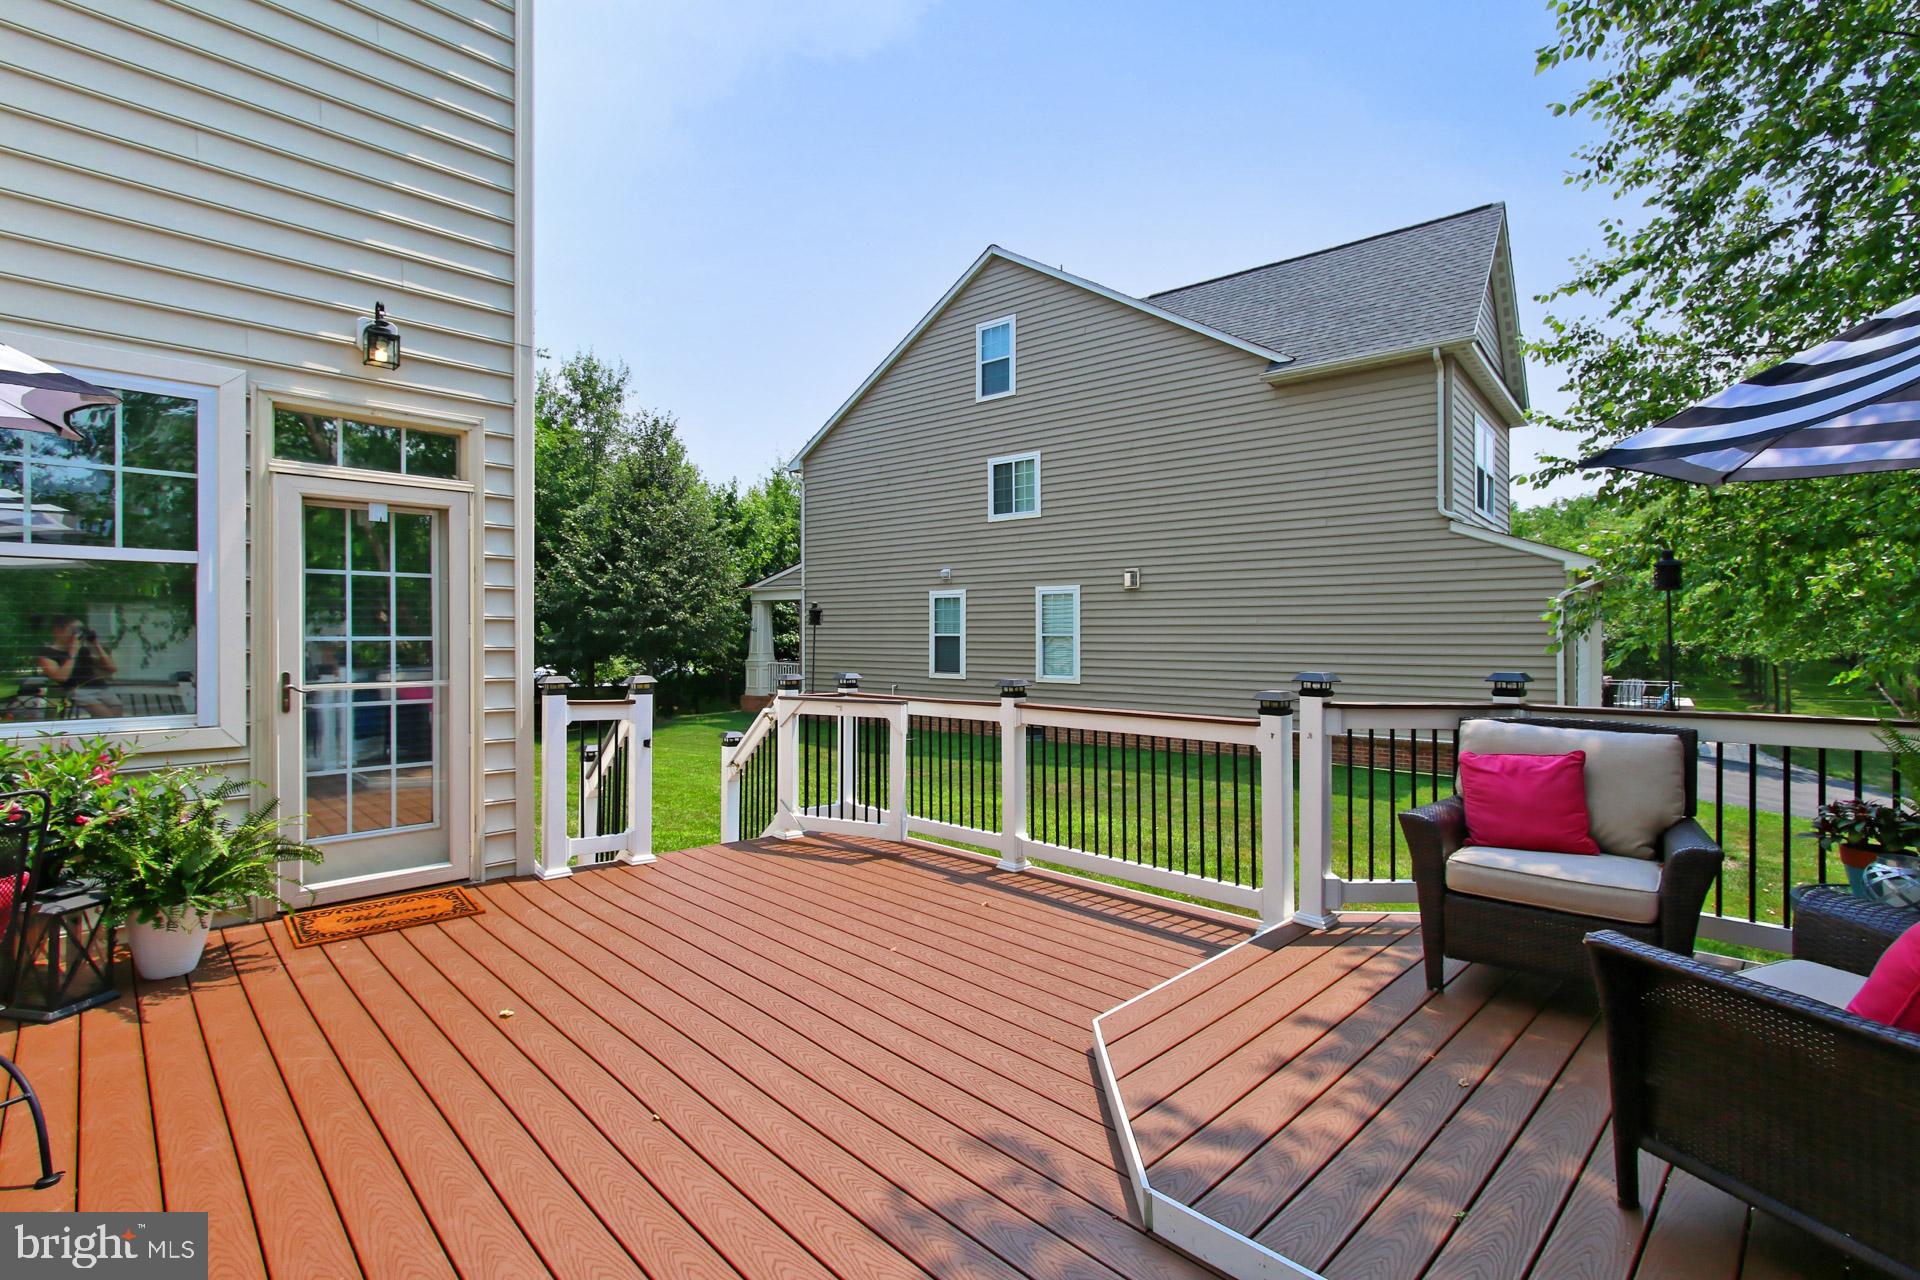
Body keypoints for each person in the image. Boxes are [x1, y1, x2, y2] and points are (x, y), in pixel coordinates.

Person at [33, 615, 120, 719]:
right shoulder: (47, 653)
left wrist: (96, 644)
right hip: (77, 690)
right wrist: (73, 652)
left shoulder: (83, 650)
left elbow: (111, 668)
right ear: (58, 631)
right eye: (74, 630)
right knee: (106, 717)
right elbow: (61, 677)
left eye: (81, 630)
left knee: (117, 710)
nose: (78, 634)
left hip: (99, 686)